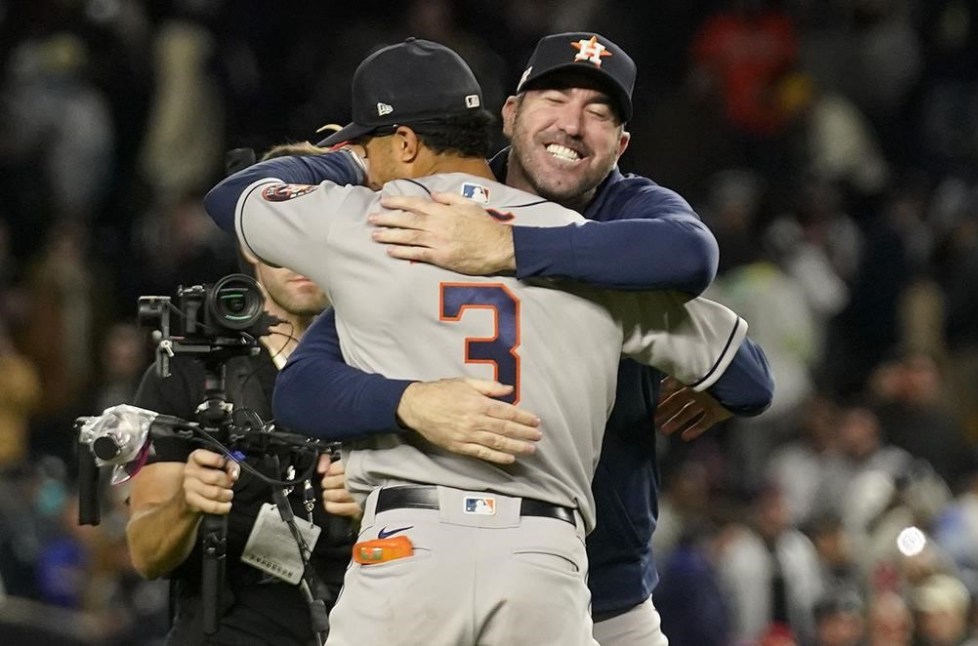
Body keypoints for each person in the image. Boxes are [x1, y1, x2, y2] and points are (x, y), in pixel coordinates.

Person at [203, 38, 764, 646]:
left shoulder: (378, 223)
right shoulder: (605, 253)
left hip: (418, 551)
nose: (572, 124)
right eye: (554, 98)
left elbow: (234, 197)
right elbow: (745, 372)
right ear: (505, 114)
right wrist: (413, 400)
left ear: (404, 143)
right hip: (549, 560)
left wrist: (351, 164)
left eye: (598, 113)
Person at [125, 144, 359, 646]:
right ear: (251, 245)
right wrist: (186, 502)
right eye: (283, 233)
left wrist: (379, 500)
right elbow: (145, 552)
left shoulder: (386, 364)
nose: (300, 254)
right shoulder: (191, 369)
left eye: (315, 234)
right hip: (225, 626)